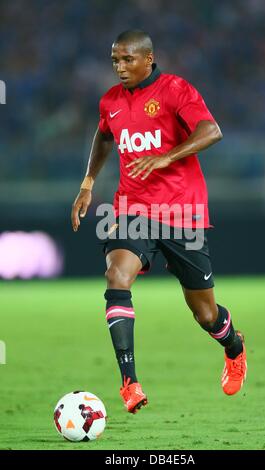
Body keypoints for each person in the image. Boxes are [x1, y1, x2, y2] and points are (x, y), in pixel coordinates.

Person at [71, 30, 247, 414]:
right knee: (116, 276)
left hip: (181, 211)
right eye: (114, 60)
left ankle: (234, 345)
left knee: (205, 315)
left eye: (127, 60)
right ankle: (129, 383)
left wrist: (168, 156)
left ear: (148, 59)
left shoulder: (175, 90)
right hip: (131, 209)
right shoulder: (110, 102)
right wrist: (87, 183)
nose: (119, 67)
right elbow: (103, 138)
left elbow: (211, 130)